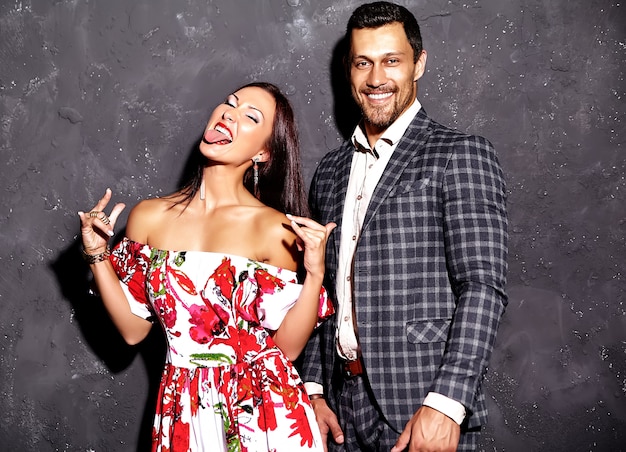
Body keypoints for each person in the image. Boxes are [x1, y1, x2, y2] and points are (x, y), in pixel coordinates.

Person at [78, 81, 336, 452]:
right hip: (182, 409)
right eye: (229, 103)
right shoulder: (149, 216)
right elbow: (134, 331)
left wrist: (314, 275)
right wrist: (98, 255)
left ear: (263, 152)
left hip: (264, 411)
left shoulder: (275, 228)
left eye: (250, 116)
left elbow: (288, 349)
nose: (229, 113)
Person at [298, 2, 508, 451]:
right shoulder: (330, 172)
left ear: (419, 63)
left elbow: (482, 285)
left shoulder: (460, 153)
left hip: (421, 408)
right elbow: (319, 292)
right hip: (338, 412)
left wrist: (448, 401)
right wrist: (312, 391)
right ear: (348, 70)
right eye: (363, 63)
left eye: (391, 60)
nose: (377, 78)